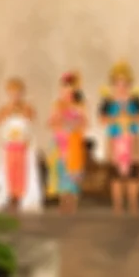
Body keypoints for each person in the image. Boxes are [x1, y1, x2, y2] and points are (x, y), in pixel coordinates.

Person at [0, 77, 43, 213]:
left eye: (18, 92)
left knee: (23, 172)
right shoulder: (4, 109)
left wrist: (20, 110)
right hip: (9, 146)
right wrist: (7, 111)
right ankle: (9, 196)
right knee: (8, 172)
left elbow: (32, 119)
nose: (15, 96)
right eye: (12, 93)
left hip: (23, 146)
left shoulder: (27, 108)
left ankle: (23, 197)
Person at [99, 61, 139, 215]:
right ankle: (117, 205)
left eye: (124, 83)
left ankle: (133, 204)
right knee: (115, 175)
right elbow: (101, 119)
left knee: (133, 174)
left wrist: (131, 118)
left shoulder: (136, 100)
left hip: (132, 139)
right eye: (118, 83)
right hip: (115, 139)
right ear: (113, 85)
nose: (121, 87)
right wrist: (117, 118)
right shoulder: (107, 101)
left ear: (129, 84)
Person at [46, 71, 88, 215]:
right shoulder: (57, 105)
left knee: (73, 174)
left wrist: (74, 125)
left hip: (74, 142)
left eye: (70, 88)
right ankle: (62, 204)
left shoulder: (80, 105)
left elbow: (85, 124)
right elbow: (50, 123)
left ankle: (73, 205)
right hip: (59, 143)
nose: (67, 91)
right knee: (61, 173)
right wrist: (61, 123)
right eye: (64, 88)